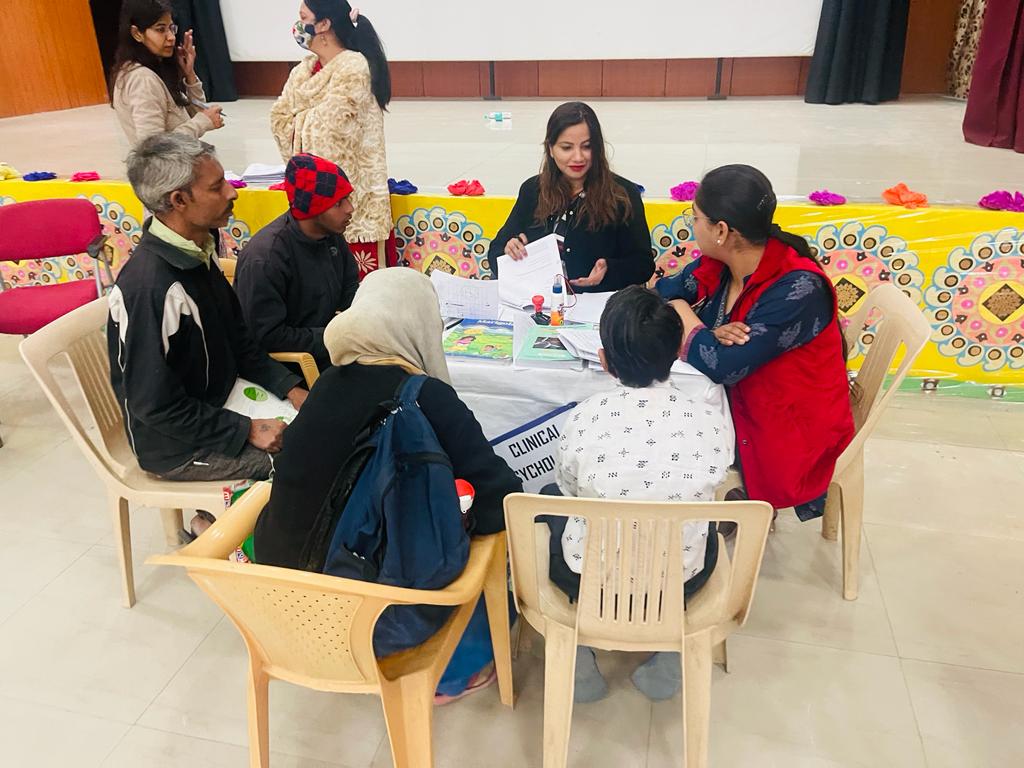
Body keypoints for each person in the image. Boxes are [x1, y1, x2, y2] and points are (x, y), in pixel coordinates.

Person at [253, 268, 522, 703]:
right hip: (372, 621)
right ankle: (452, 672)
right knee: (483, 558)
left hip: (283, 610)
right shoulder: (425, 396)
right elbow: (500, 501)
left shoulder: (324, 385)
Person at [107, 133, 307, 536]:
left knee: (327, 425)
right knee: (310, 458)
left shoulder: (196, 249)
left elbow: (239, 340)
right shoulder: (151, 289)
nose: (232, 192)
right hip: (177, 445)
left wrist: (288, 386)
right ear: (179, 200)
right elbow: (153, 407)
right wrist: (245, 429)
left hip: (219, 401)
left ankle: (214, 520)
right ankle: (226, 536)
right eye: (217, 187)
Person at [546, 285, 732, 703]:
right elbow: (716, 477)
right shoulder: (710, 419)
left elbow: (568, 488)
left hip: (589, 580)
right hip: (680, 581)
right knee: (705, 529)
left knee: (551, 503)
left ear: (604, 360)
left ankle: (578, 658)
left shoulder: (584, 417)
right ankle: (670, 656)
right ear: (677, 354)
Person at [653, 164, 855, 522]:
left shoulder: (798, 288)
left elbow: (723, 365)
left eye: (694, 217)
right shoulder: (723, 263)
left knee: (659, 436)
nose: (692, 225)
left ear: (721, 230)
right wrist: (708, 333)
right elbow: (662, 291)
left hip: (788, 426)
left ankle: (679, 527)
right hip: (746, 397)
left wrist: (686, 315)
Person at [270, 0, 393, 276]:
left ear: (324, 24)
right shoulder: (302, 71)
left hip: (351, 202)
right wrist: (307, 117)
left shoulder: (353, 66)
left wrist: (298, 118)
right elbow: (278, 119)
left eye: (304, 17)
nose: (298, 25)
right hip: (313, 203)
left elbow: (331, 132)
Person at [489, 102, 654, 292]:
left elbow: (643, 265)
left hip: (598, 302)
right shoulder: (532, 190)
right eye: (567, 148)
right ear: (550, 149)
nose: (578, 157)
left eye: (587, 147)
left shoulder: (622, 195)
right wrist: (510, 250)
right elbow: (495, 252)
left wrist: (610, 270)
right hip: (537, 300)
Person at [234, 154, 359, 371]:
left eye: (348, 198)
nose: (350, 209)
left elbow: (350, 293)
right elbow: (268, 336)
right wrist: (337, 336)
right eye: (339, 203)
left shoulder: (330, 236)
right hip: (290, 368)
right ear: (313, 208)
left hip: (328, 348)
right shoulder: (265, 258)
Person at [109, 0, 224, 145]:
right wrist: (201, 123)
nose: (171, 37)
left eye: (171, 28)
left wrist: (189, 75)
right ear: (137, 33)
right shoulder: (142, 79)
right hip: (170, 160)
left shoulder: (157, 67)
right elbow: (153, 146)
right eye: (160, 29)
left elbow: (196, 114)